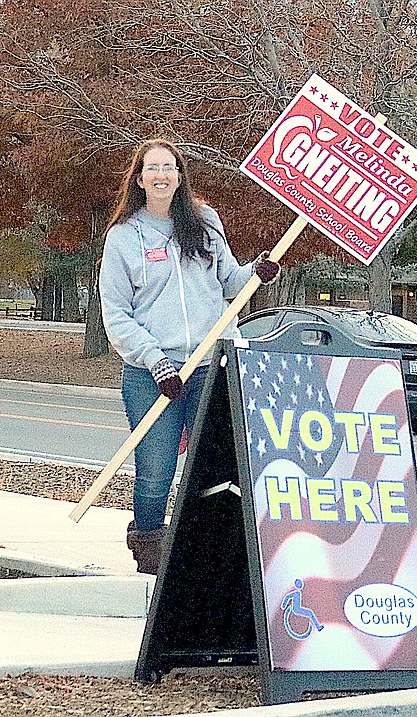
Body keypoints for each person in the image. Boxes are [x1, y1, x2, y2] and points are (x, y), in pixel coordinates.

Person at [99, 139, 280, 574]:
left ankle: (209, 553)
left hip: (209, 364)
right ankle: (151, 558)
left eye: (169, 167)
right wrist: (153, 359)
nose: (161, 175)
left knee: (217, 464)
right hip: (152, 373)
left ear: (180, 175)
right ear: (139, 179)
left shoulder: (206, 221)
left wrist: (257, 272)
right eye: (152, 168)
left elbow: (231, 284)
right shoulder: (124, 237)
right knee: (156, 469)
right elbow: (116, 312)